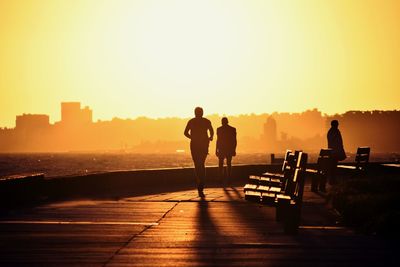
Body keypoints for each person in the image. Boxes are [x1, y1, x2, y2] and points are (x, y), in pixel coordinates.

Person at [184, 107, 214, 197]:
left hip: (194, 145)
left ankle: (200, 181)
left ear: (195, 113)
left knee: (197, 164)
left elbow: (185, 133)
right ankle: (202, 181)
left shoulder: (191, 121)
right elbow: (212, 131)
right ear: (202, 113)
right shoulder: (206, 121)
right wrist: (210, 137)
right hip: (204, 144)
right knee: (201, 163)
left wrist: (192, 137)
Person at [216, 117, 237, 185]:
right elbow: (234, 141)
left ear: (222, 122)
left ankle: (220, 179)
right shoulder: (232, 129)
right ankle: (229, 178)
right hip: (229, 148)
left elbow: (218, 140)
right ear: (227, 122)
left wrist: (216, 149)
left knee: (221, 164)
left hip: (222, 148)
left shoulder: (219, 129)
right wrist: (234, 149)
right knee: (229, 163)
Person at [326, 119, 346, 188]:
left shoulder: (330, 132)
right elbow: (339, 142)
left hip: (332, 152)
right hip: (335, 152)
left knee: (333, 166)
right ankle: (333, 179)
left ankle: (332, 179)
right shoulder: (336, 132)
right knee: (333, 166)